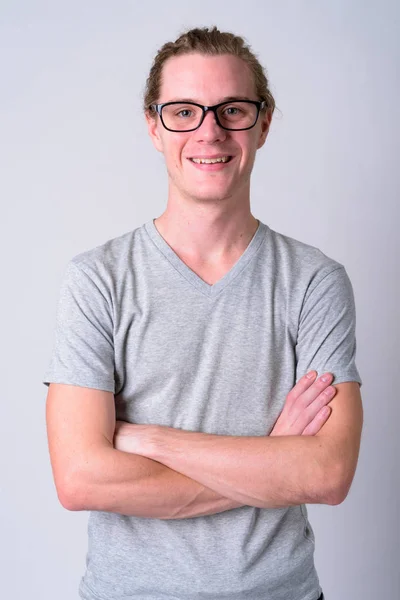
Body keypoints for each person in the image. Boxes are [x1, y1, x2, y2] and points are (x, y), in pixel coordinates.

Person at [43, 26, 363, 600]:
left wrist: (151, 440)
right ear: (152, 125)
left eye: (232, 110)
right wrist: (272, 457)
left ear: (263, 125)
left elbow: (326, 474)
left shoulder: (315, 281)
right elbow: (80, 478)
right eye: (184, 111)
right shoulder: (97, 279)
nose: (209, 131)